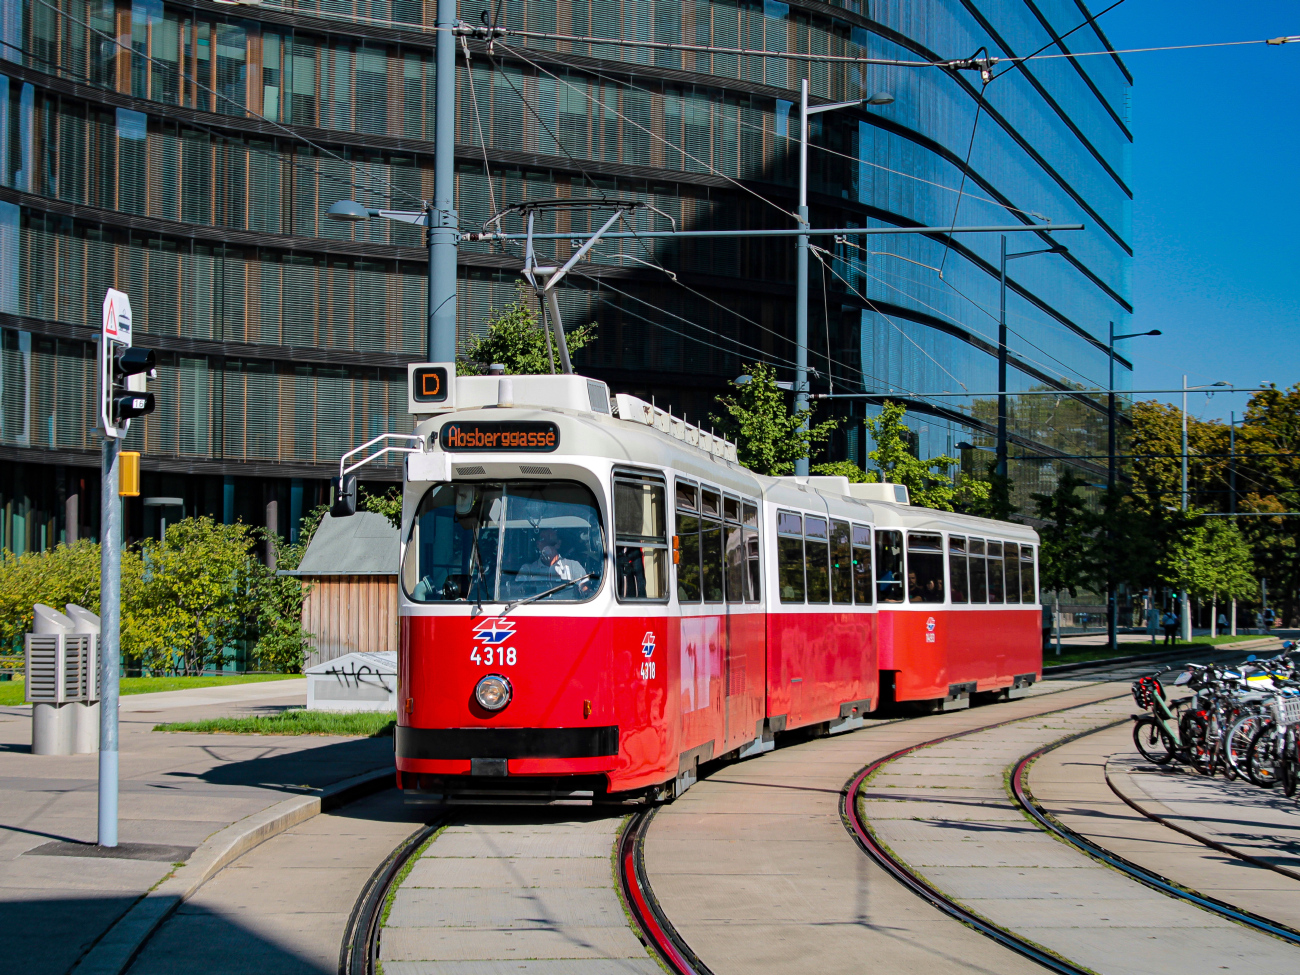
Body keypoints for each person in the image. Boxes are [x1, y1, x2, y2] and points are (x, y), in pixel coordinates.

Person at [513, 528, 592, 598]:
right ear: (538, 544)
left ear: (558, 544)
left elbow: (585, 592)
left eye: (549, 539)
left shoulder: (573, 566)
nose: (546, 543)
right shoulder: (527, 570)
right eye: (542, 539)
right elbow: (516, 595)